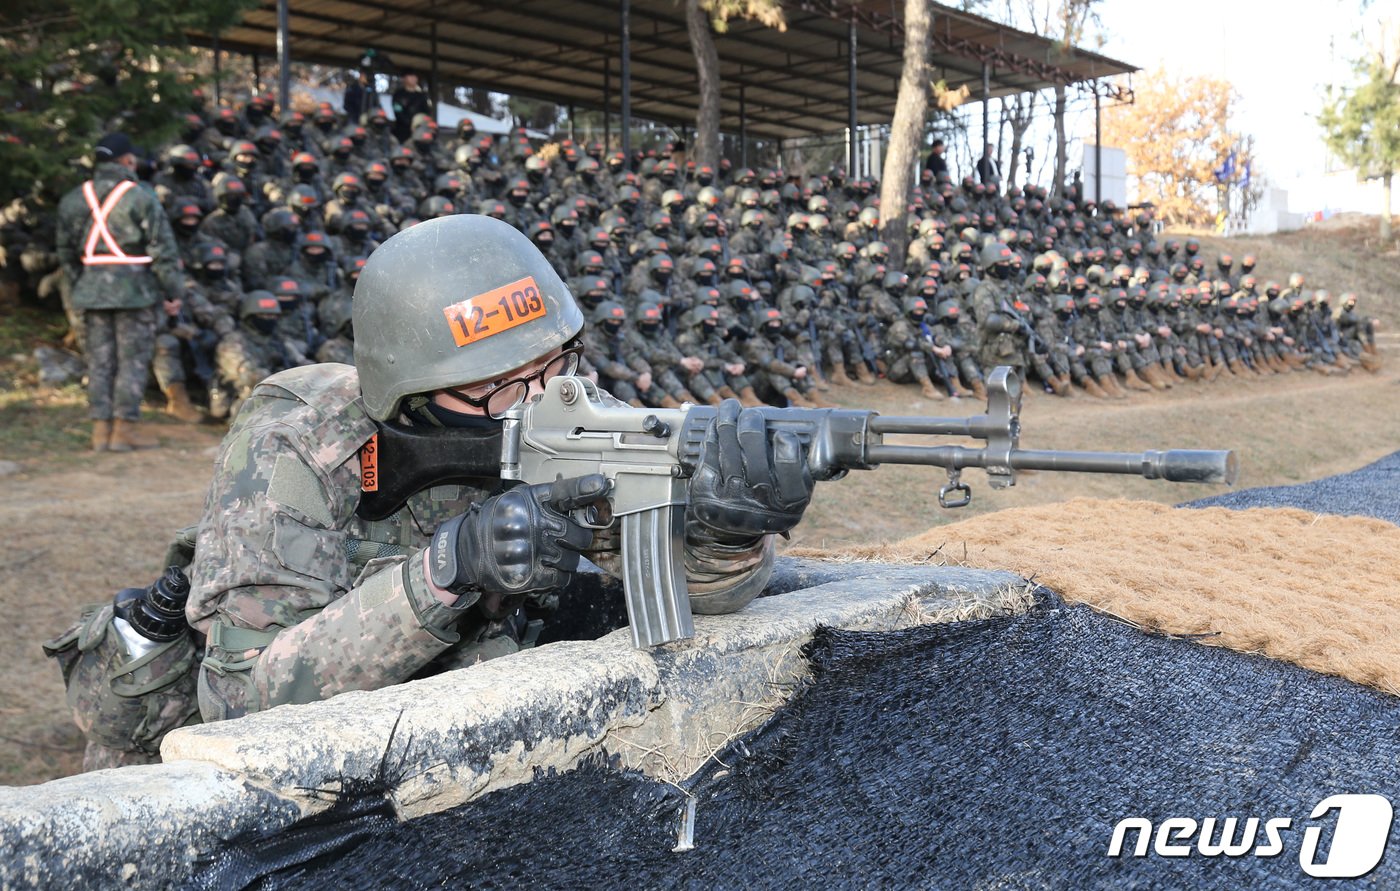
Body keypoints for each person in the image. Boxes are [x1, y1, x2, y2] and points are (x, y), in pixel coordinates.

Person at [188, 214, 815, 721]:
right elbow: (239, 700)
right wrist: (445, 570)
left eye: (554, 365)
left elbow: (688, 597)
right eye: (496, 386)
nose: (539, 399)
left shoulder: (573, 407)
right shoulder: (303, 447)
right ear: (412, 391)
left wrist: (725, 538)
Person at [55, 133, 186, 451]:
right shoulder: (142, 196)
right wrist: (172, 292)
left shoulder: (75, 198)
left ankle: (100, 431)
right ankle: (124, 430)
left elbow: (66, 254)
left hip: (91, 291)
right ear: (127, 160)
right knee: (133, 361)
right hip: (136, 292)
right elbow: (163, 251)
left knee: (99, 361)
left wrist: (81, 287)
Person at [390, 71, 431, 144]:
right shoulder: (398, 95)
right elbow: (397, 111)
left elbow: (426, 112)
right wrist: (409, 123)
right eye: (410, 76)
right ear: (404, 78)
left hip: (419, 129)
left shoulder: (422, 96)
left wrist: (419, 124)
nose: (413, 78)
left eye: (415, 76)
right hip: (402, 130)